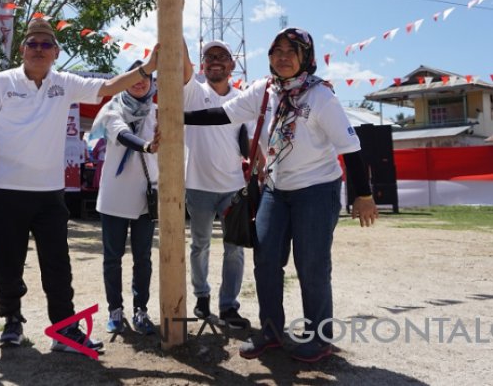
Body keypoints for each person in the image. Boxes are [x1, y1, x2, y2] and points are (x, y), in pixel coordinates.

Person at [185, 27, 378, 363]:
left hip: (316, 191)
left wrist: (363, 195)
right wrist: (177, 118)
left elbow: (352, 149)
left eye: (292, 51)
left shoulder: (321, 97)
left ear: (306, 57)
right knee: (266, 260)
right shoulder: (265, 90)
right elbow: (223, 114)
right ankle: (271, 331)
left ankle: (319, 338)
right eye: (277, 51)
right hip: (276, 189)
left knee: (312, 264)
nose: (284, 57)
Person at [0, 18, 159, 354]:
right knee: (7, 262)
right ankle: (12, 321)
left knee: (58, 265)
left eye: (47, 45)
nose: (39, 49)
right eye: (33, 43)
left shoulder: (65, 83)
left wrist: (145, 69)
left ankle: (64, 330)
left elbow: (108, 87)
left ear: (56, 53)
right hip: (4, 189)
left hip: (49, 192)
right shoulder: (1, 82)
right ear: (22, 49)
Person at [182, 39, 251, 329]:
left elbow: (250, 139)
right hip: (197, 185)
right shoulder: (193, 92)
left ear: (232, 65)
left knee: (234, 248)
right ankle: (202, 297)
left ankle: (228, 306)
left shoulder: (243, 99)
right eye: (210, 57)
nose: (216, 61)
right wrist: (175, 19)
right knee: (200, 245)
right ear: (202, 64)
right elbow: (181, 62)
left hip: (233, 186)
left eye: (222, 56)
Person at [91, 60, 160, 335]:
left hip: (146, 196)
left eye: (146, 77)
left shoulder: (159, 111)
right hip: (115, 196)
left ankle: (140, 309)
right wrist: (147, 146)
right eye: (135, 77)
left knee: (143, 257)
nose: (140, 82)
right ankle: (115, 310)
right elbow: (121, 134)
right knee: (112, 257)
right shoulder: (111, 109)